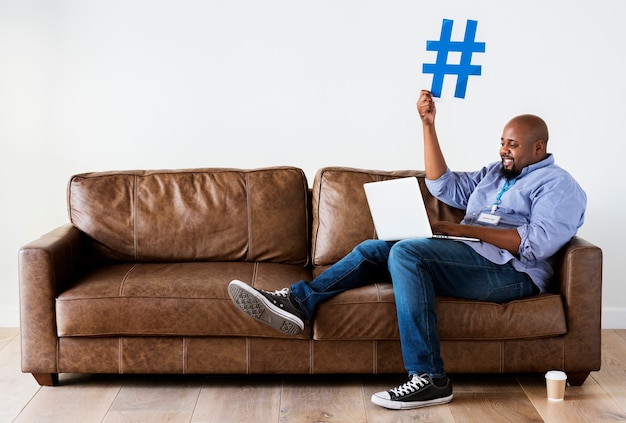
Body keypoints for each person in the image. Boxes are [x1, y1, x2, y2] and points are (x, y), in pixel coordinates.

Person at [227, 89, 587, 410]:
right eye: (502, 142)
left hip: (512, 274)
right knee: (375, 248)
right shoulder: (495, 173)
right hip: (469, 256)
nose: (503, 150)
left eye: (512, 144)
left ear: (538, 147)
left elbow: (536, 243)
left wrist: (454, 228)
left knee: (407, 252)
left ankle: (430, 378)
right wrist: (428, 124)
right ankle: (297, 302)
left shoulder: (559, 185)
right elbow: (442, 185)